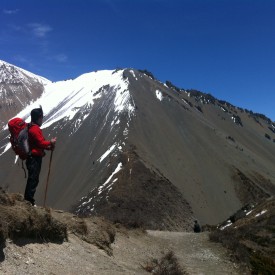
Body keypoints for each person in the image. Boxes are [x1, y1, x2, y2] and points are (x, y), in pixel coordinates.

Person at [24, 106, 56, 206]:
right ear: (38, 118)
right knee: (33, 178)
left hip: (33, 157)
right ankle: (28, 200)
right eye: (41, 117)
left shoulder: (32, 128)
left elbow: (38, 144)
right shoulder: (35, 129)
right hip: (34, 158)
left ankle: (29, 199)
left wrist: (48, 147)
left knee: (33, 178)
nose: (42, 119)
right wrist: (50, 143)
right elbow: (40, 142)